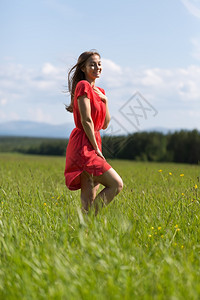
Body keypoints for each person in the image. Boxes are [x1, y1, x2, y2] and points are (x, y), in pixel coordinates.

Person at [64, 50, 123, 215]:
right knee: (116, 184)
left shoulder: (101, 91)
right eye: (92, 64)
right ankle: (87, 225)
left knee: (88, 203)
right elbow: (86, 120)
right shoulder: (82, 86)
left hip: (94, 140)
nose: (97, 67)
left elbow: (104, 124)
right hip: (84, 144)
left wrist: (106, 102)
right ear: (83, 68)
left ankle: (83, 233)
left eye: (99, 63)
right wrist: (96, 148)